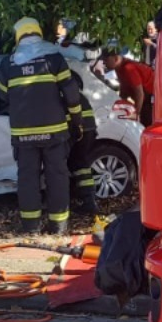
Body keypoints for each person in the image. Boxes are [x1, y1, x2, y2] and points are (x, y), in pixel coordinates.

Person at [0, 17, 83, 235]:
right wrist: (77, 122)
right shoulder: (54, 59)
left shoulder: (8, 64)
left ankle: (31, 228)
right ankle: (58, 227)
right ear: (38, 33)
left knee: (28, 180)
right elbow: (72, 94)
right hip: (54, 133)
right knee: (57, 177)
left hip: (23, 136)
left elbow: (2, 96)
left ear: (18, 36)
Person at [68, 71, 98, 215]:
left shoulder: (67, 96)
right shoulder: (81, 97)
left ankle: (88, 203)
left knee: (77, 165)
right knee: (81, 165)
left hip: (80, 132)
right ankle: (89, 200)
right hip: (89, 131)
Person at [102, 50, 154, 127]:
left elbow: (140, 94)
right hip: (145, 98)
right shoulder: (119, 68)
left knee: (145, 124)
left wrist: (136, 113)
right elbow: (124, 90)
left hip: (150, 98)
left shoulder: (128, 68)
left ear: (115, 58)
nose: (104, 63)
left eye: (106, 60)